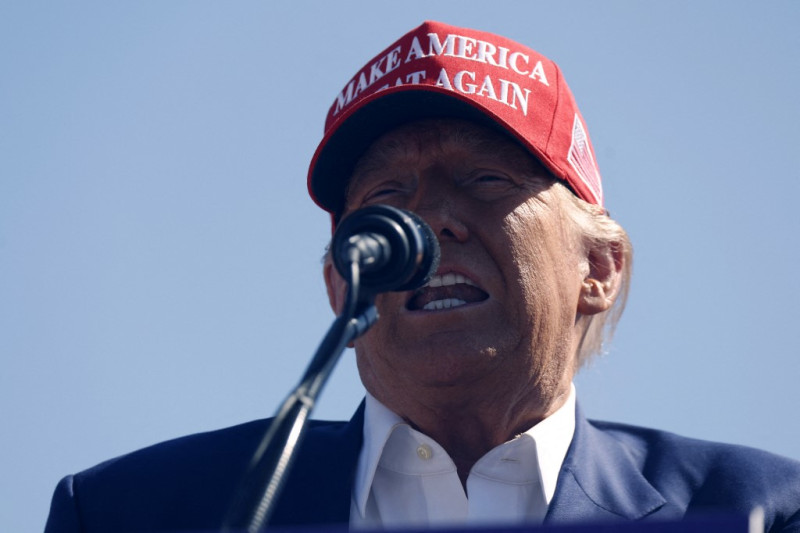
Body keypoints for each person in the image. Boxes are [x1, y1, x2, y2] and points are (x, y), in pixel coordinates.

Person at [45, 20, 800, 533]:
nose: (432, 221)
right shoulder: (129, 511)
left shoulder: (758, 511)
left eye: (483, 179)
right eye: (385, 198)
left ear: (597, 267)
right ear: (344, 286)